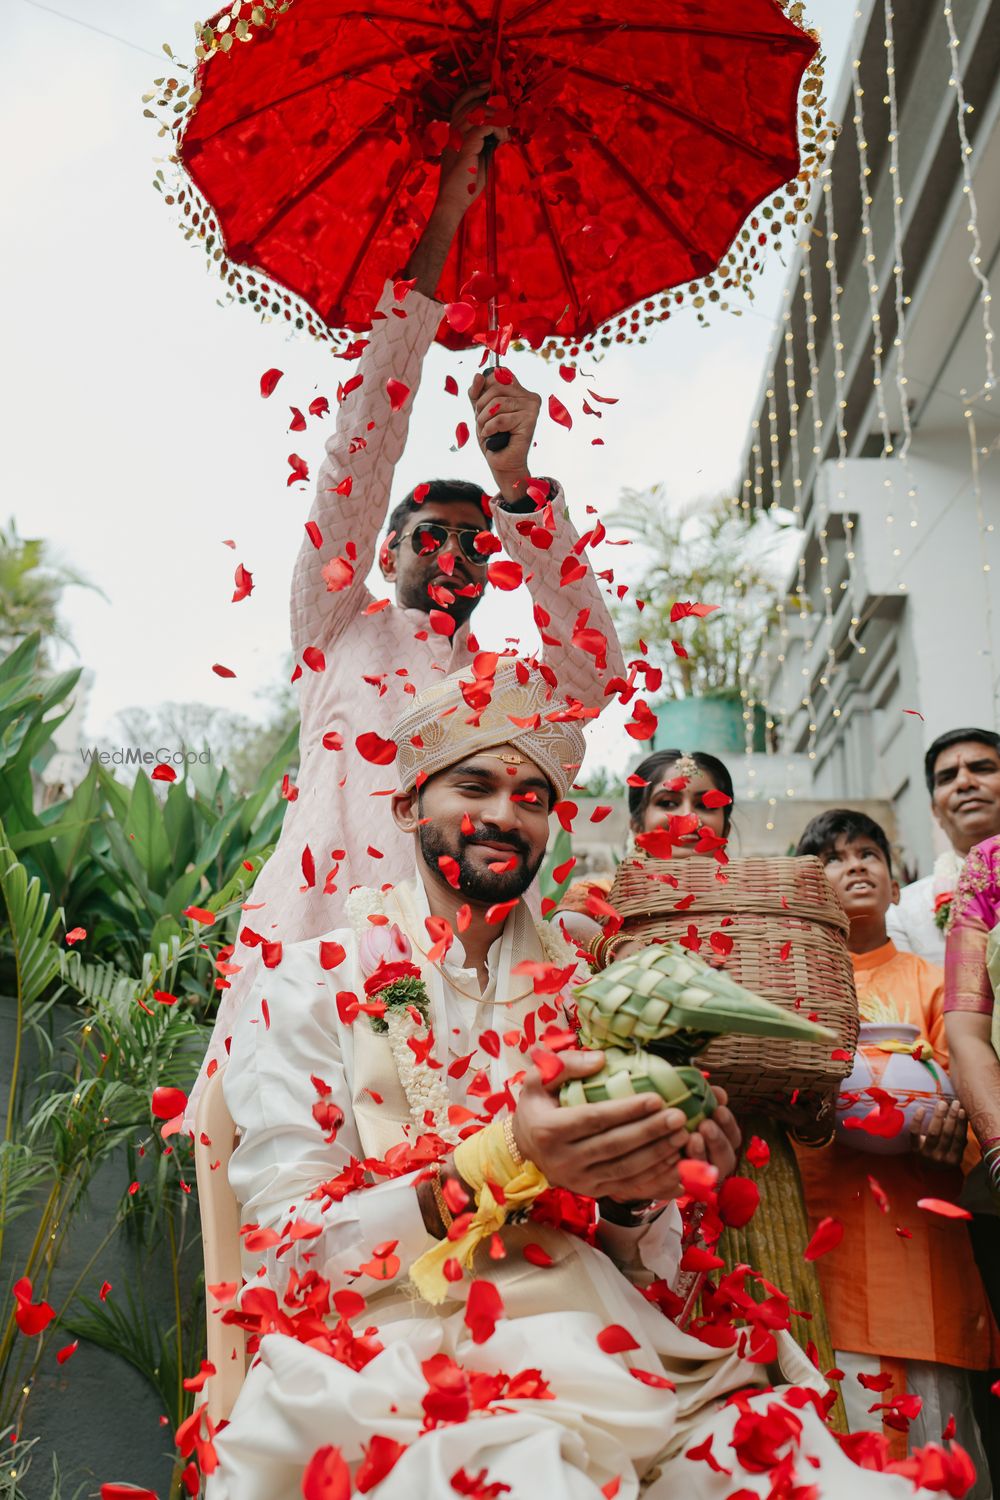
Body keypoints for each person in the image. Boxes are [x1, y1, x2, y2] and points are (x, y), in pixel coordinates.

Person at [201, 665, 950, 1500]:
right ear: (410, 804)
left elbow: (650, 1264)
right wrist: (492, 1163)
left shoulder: (597, 993)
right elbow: (291, 1257)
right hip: (389, 1354)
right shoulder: (307, 983)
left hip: (603, 1337)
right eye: (474, 785)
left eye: (531, 796)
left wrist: (641, 1194)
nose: (502, 814)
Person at [186, 92, 625, 1127]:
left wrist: (516, 483)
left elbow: (594, 676)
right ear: (381, 552)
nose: (453, 555)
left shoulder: (503, 688)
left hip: (469, 996)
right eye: (427, 536)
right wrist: (440, 228)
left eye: (479, 545)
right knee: (282, 1223)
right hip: (312, 959)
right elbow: (356, 457)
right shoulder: (335, 630)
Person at [795, 809, 995, 1489]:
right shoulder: (793, 990)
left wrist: (956, 1135)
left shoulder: (938, 983)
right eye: (832, 858)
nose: (854, 866)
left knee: (934, 1444)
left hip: (922, 1252)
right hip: (827, 1243)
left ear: (893, 872)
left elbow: (974, 1089)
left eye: (867, 853)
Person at [556, 748, 734, 948]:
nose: (688, 817)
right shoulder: (606, 893)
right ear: (638, 826)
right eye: (667, 803)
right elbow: (563, 924)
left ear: (725, 829)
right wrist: (620, 949)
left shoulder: (745, 897)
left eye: (705, 805)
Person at [887, 729, 1000, 964]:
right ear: (935, 810)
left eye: (982, 768)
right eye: (947, 777)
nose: (964, 782)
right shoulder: (903, 911)